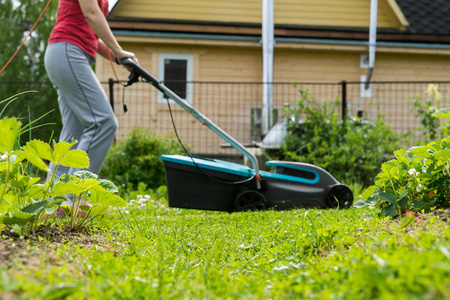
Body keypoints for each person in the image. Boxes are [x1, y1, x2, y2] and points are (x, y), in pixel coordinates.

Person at [44, 0, 138, 197]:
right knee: (103, 122)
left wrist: (120, 58)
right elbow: (92, 14)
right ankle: (75, 196)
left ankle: (54, 202)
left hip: (66, 54)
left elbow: (93, 38)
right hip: (68, 52)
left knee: (73, 135)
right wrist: (119, 50)